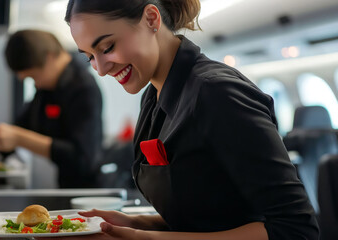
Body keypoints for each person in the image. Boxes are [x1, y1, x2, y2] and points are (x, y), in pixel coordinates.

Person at [40, 0, 319, 239]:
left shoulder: (216, 93)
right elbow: (214, 215)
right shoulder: (154, 96)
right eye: (90, 56)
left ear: (151, 18)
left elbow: (295, 229)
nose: (100, 69)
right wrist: (136, 224)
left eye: (108, 47)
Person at [0, 29, 103, 188]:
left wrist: (20, 138)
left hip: (88, 192)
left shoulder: (83, 88)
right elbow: (20, 128)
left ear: (49, 57)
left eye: (33, 76)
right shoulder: (46, 89)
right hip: (63, 186)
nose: (35, 84)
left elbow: (83, 158)